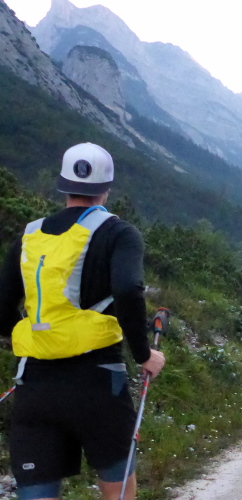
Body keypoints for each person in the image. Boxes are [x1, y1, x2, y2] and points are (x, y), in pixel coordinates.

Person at [0, 143, 166, 500]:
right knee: (117, 489)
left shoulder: (28, 236)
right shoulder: (120, 233)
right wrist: (144, 354)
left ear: (63, 184)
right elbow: (128, 289)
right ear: (107, 188)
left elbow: (1, 309)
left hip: (35, 384)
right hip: (98, 381)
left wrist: (36, 340)